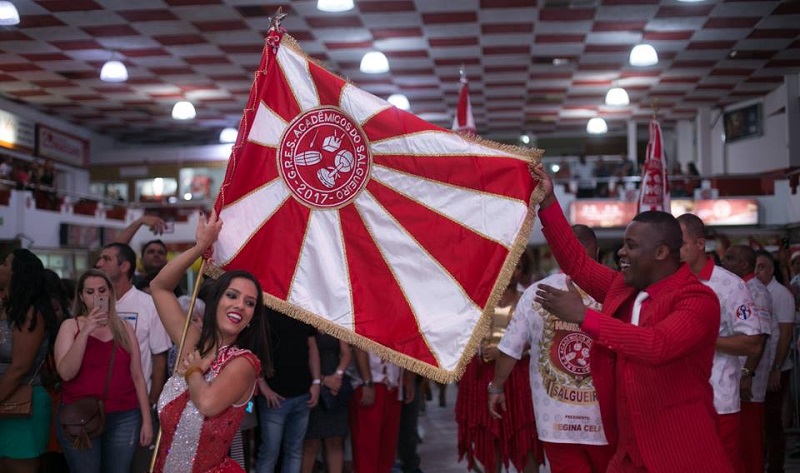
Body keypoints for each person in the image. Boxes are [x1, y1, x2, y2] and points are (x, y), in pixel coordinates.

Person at [530, 164, 732, 473]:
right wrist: (547, 203)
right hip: (627, 452)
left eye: (632, 246)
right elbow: (577, 263)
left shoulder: (698, 299)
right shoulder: (623, 288)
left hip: (680, 452)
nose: (621, 253)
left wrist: (585, 317)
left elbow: (657, 345)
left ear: (662, 252)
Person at [149, 210, 270, 473]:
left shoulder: (244, 364)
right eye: (232, 295)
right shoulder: (192, 341)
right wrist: (200, 247)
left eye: (250, 303)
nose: (240, 305)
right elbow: (159, 287)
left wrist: (193, 371)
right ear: (215, 302)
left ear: (251, 317)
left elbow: (207, 403)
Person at [488, 225, 615, 473]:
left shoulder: (536, 293)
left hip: (555, 421)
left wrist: (496, 387)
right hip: (606, 422)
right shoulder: (615, 291)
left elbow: (510, 348)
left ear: (560, 253)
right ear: (597, 252)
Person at [676, 214, 764, 473]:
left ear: (700, 244)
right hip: (679, 401)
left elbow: (753, 343)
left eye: (681, 244)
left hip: (719, 401)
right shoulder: (669, 282)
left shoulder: (729, 285)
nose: (675, 250)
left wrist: (704, 339)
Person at [54, 269, 153, 473]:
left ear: (110, 293)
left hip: (124, 415)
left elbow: (138, 377)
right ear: (81, 296)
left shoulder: (124, 327)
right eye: (90, 292)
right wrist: (86, 332)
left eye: (102, 290)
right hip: (81, 415)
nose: (97, 296)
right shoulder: (70, 326)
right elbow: (66, 373)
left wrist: (147, 420)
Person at [456, 253, 540, 473]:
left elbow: (538, 339)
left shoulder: (529, 299)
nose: (512, 272)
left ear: (523, 271)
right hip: (482, 374)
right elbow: (463, 332)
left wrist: (507, 351)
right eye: (507, 266)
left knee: (525, 434)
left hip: (518, 376)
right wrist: (477, 348)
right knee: (488, 434)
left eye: (518, 267)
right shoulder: (478, 297)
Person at [95, 242, 171, 473]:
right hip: (94, 405)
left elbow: (160, 357)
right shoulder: (94, 304)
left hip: (134, 406)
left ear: (125, 266)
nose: (99, 264)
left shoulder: (148, 305)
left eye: (106, 259)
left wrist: (151, 401)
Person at [0, 250, 59, 473]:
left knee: (16, 464)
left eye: (4, 263)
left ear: (18, 273)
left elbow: (20, 367)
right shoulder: (6, 308)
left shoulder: (30, 313)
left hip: (21, 403)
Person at [720, 245, 775, 473]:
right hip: (739, 376)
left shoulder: (756, 291)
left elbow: (758, 338)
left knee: (750, 440)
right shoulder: (740, 286)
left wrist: (746, 374)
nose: (724, 262)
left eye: (730, 258)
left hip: (749, 379)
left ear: (744, 264)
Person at [256, 310, 320, 473]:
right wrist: (262, 385)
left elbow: (312, 347)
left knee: (294, 452)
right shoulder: (266, 311)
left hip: (303, 395)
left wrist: (317, 382)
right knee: (270, 454)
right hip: (275, 397)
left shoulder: (304, 310)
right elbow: (255, 348)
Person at [754, 250, 796, 473]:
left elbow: (785, 332)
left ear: (771, 270)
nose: (757, 272)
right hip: (763, 368)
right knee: (762, 424)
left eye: (762, 267)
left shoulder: (780, 294)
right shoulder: (758, 291)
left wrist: (776, 368)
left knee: (772, 424)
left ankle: (776, 468)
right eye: (756, 267)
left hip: (776, 368)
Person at [349, 349, 414, 473]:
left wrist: (408, 378)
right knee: (367, 445)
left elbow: (407, 344)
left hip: (394, 383)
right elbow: (359, 346)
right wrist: (367, 382)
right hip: (372, 382)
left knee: (387, 446)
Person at [301, 332, 352, 473]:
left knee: (335, 440)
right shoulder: (306, 320)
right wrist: (322, 380)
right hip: (312, 383)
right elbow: (302, 355)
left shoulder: (335, 320)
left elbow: (346, 353)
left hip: (336, 385)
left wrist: (337, 376)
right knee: (311, 441)